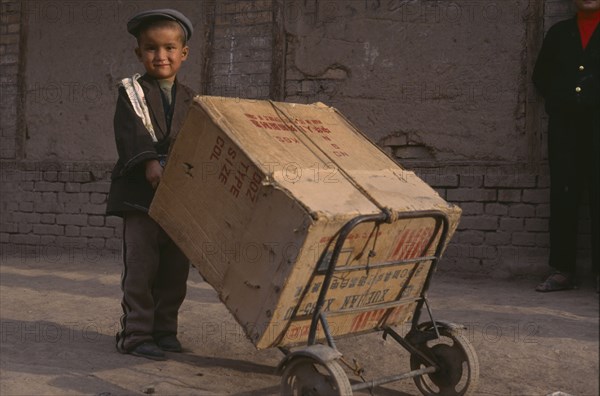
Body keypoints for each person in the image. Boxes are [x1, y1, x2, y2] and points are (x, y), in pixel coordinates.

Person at [106, 9, 196, 359]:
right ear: (138, 53)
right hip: (141, 196)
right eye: (151, 48)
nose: (161, 56)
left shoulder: (192, 99)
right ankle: (136, 334)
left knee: (174, 269)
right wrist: (147, 161)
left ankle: (164, 330)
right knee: (142, 267)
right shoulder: (131, 93)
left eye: (170, 48)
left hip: (178, 198)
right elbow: (132, 133)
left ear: (183, 53)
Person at [532, 0, 599, 292]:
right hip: (565, 127)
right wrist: (562, 102)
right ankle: (562, 270)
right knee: (563, 193)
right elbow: (541, 76)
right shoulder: (559, 33)